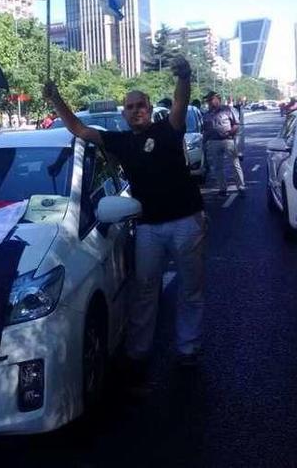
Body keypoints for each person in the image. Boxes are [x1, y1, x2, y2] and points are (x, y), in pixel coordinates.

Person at [44, 55, 207, 383]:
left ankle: (188, 348)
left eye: (140, 105)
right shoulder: (119, 141)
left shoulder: (169, 129)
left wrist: (184, 76)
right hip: (147, 227)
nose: (135, 110)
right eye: (130, 107)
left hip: (186, 223)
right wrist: (55, 98)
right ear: (123, 113)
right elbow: (78, 129)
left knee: (191, 289)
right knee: (144, 290)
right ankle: (138, 352)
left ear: (149, 108)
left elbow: (180, 101)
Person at [202, 91, 245, 196]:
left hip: (227, 140)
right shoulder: (206, 114)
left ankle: (241, 186)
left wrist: (230, 133)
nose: (209, 102)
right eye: (208, 100)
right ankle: (222, 188)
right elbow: (206, 130)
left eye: (211, 99)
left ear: (218, 99)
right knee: (217, 166)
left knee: (235, 164)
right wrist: (204, 143)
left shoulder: (227, 110)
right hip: (213, 142)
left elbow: (236, 124)